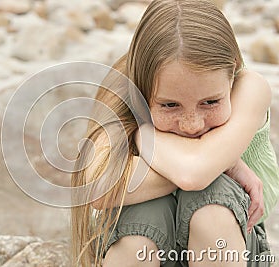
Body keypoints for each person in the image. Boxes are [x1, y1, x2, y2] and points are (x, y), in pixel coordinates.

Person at [71, 0, 279, 266]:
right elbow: (100, 188)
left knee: (211, 200)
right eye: (170, 105)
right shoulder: (125, 92)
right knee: (144, 215)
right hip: (144, 250)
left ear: (233, 70)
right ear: (142, 88)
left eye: (210, 102)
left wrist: (144, 137)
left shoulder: (250, 87)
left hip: (229, 250)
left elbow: (194, 174)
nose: (192, 125)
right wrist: (226, 163)